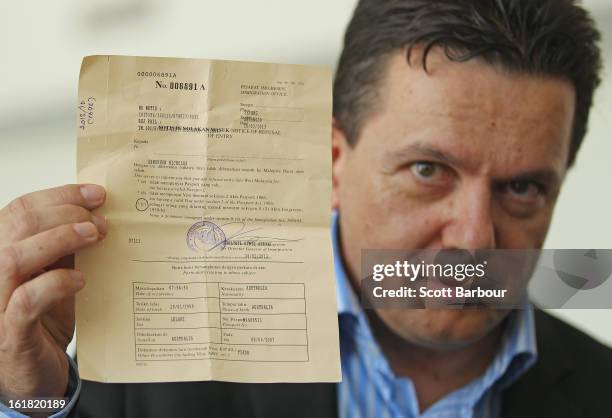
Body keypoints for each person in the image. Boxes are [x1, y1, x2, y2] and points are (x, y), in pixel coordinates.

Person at [1, 0, 611, 417]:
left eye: (523, 189)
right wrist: (28, 398)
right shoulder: (155, 375)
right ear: (333, 161)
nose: (475, 239)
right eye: (428, 171)